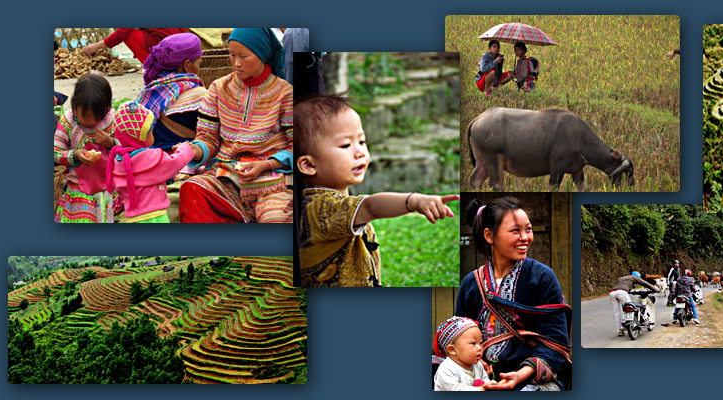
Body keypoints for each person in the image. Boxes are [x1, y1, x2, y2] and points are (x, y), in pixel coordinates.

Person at [294, 95, 459, 286]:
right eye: (346, 145)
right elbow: (371, 206)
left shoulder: (330, 202)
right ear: (308, 164)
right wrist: (413, 201)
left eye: (362, 141)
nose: (360, 152)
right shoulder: (320, 208)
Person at [177, 28, 293, 223]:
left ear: (262, 55)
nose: (236, 63)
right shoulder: (218, 88)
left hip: (272, 182)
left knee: (276, 219)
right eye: (232, 55)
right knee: (193, 188)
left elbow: (298, 145)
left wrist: (267, 164)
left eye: (244, 56)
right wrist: (193, 150)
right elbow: (208, 137)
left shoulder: (284, 93)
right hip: (228, 177)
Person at [457, 197, 571, 391]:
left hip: (533, 379)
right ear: (489, 236)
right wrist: (476, 363)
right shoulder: (471, 284)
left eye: (528, 229)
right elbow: (460, 338)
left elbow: (556, 341)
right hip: (482, 378)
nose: (525, 237)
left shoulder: (542, 277)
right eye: (515, 231)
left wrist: (522, 374)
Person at [104, 102, 194, 223]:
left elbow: (119, 188)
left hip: (131, 218)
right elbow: (175, 162)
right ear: (142, 137)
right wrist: (185, 148)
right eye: (151, 132)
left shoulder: (119, 160)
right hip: (155, 216)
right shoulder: (151, 157)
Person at [53, 72, 118, 223]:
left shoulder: (113, 119)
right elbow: (55, 152)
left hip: (110, 186)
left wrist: (110, 142)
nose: (92, 121)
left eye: (98, 116)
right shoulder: (68, 121)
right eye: (87, 116)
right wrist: (75, 154)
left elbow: (128, 151)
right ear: (75, 106)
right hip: (78, 186)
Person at [136, 33, 207, 159]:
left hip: (151, 161)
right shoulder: (199, 95)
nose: (199, 68)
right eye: (199, 64)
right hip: (186, 163)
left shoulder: (148, 92)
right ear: (187, 65)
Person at [434, 316, 492, 391]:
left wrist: (491, 386)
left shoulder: (477, 365)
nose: (479, 348)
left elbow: (485, 381)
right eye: (473, 343)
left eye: (480, 343)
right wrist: (481, 389)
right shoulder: (446, 369)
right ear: (452, 350)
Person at [81, 28, 188, 63]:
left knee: (130, 35)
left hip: (170, 47)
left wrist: (96, 46)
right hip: (183, 43)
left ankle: (154, 67)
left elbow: (122, 33)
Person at [610, 271, 660, 336]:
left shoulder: (621, 278)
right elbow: (644, 283)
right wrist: (654, 289)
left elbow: (622, 286)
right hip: (622, 292)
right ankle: (627, 323)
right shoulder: (633, 277)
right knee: (630, 308)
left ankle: (619, 331)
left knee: (616, 312)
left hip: (612, 293)